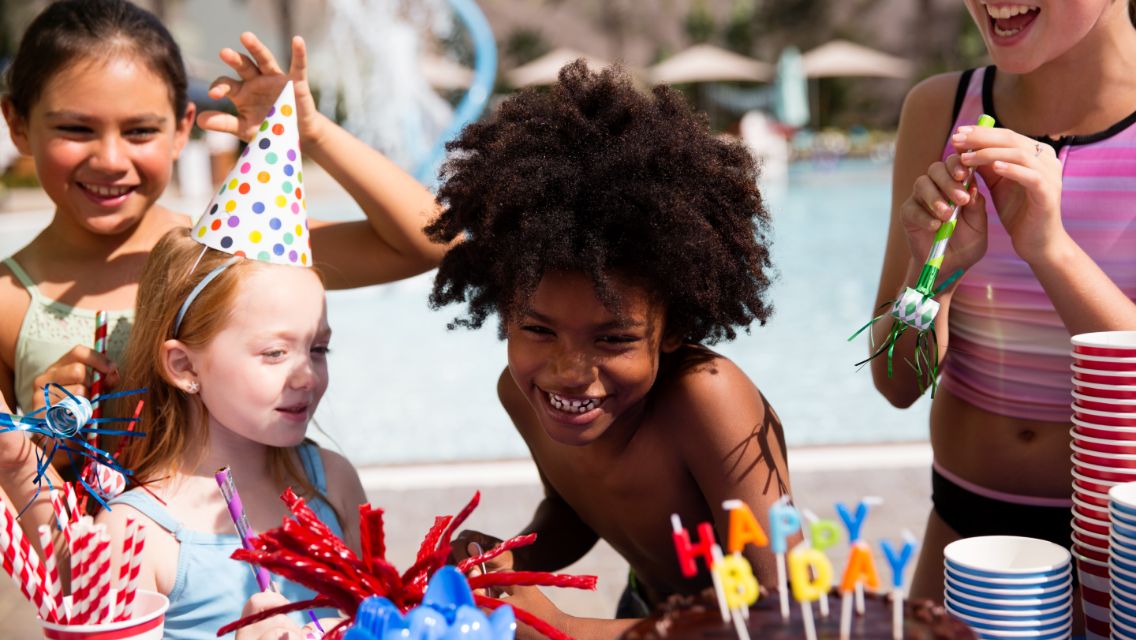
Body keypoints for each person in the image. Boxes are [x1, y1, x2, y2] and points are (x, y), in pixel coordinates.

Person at [426, 61, 791, 638]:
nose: (570, 372)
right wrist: (510, 563)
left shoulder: (708, 400)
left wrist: (561, 628)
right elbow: (579, 508)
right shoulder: (523, 394)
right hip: (644, 613)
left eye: (615, 338)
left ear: (672, 327)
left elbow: (786, 618)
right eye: (539, 330)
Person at [0, 0, 442, 416]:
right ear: (17, 125)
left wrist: (310, 133)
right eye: (76, 129)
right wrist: (43, 443)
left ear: (181, 129)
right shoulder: (7, 302)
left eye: (139, 131)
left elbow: (429, 242)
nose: (111, 160)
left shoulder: (229, 250)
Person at [870, 0, 1136, 614]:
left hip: (1122, 553)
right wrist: (933, 276)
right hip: (966, 539)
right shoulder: (940, 110)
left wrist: (1050, 251)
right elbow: (895, 381)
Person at [96, 224, 366, 640]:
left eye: (318, 349)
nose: (307, 376)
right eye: (274, 353)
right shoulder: (137, 533)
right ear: (184, 367)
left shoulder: (333, 481)